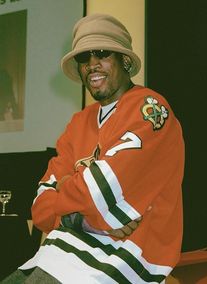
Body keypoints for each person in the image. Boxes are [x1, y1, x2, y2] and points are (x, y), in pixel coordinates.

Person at [2, 14, 185, 283]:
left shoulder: (150, 108)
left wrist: (64, 187)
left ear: (124, 60)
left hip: (124, 260)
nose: (91, 65)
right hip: (57, 255)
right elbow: (40, 205)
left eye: (101, 53)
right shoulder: (79, 121)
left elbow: (103, 192)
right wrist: (80, 219)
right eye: (83, 58)